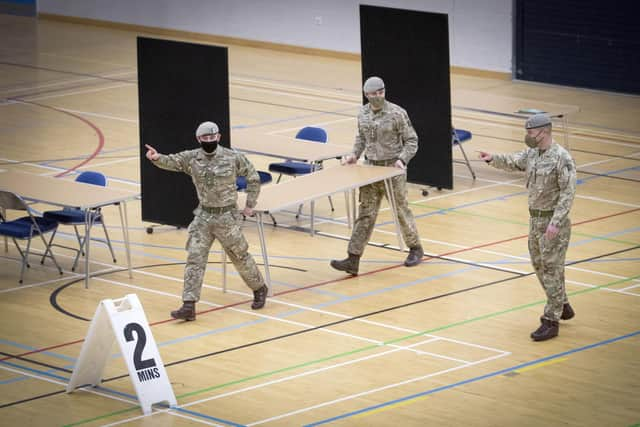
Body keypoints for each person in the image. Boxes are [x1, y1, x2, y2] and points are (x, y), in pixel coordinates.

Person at [145, 121, 268, 320]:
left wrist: (250, 204)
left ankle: (259, 288)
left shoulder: (233, 157)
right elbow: (172, 161)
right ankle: (188, 305)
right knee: (195, 258)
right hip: (203, 216)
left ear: (218, 137)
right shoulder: (192, 158)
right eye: (205, 138)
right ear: (199, 139)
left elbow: (253, 177)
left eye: (213, 137)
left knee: (239, 256)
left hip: (227, 217)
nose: (209, 141)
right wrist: (156, 158)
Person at [478, 113, 577, 341]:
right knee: (540, 265)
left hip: (553, 222)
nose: (528, 137)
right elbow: (514, 161)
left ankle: (551, 321)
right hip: (535, 221)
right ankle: (561, 304)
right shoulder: (533, 153)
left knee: (552, 268)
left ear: (544, 132)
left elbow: (568, 193)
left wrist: (556, 222)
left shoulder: (562, 158)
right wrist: (492, 158)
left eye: (531, 133)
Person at [330, 76, 424, 275]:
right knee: (365, 214)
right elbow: (361, 137)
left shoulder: (397, 113)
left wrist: (402, 160)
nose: (379, 96)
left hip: (392, 170)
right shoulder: (362, 114)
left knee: (400, 210)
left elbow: (412, 140)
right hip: (371, 170)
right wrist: (354, 155)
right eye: (374, 94)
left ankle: (415, 248)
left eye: (381, 92)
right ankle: (353, 258)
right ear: (367, 95)